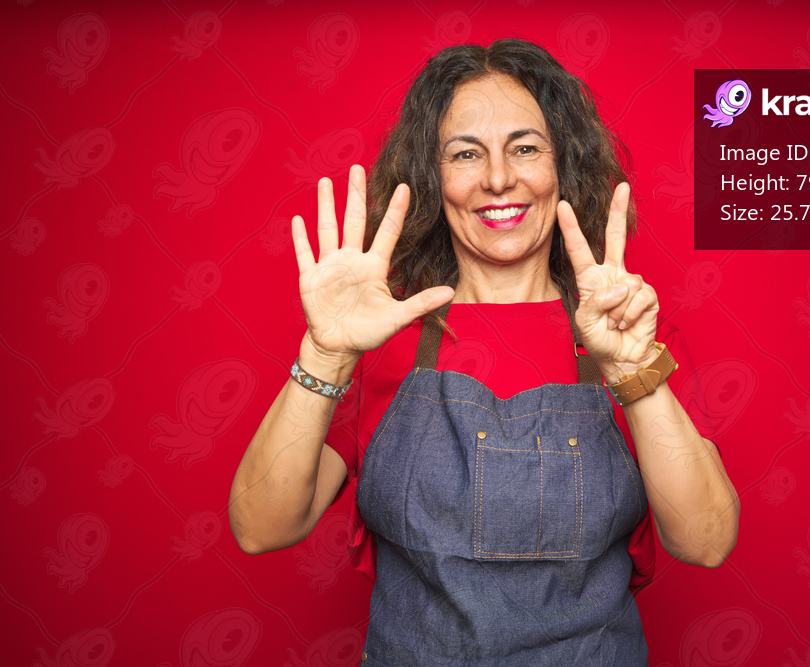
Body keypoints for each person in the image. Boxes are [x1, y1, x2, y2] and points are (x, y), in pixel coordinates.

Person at [229, 38, 739, 665]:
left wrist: (634, 372)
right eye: (466, 154)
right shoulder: (377, 336)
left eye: (526, 148)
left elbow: (707, 540)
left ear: (565, 166)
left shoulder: (630, 334)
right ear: (430, 177)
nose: (499, 178)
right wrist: (325, 354)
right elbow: (261, 527)